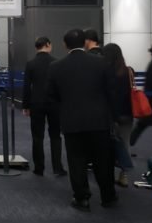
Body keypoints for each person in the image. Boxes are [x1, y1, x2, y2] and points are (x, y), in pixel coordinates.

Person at [47, 29, 118, 211]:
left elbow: (52, 96)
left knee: (76, 160)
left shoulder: (56, 66)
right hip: (99, 121)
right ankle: (108, 197)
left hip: (72, 121)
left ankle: (82, 198)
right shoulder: (102, 63)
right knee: (103, 160)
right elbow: (112, 92)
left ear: (65, 45)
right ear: (85, 43)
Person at [22, 37, 66, 177]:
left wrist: (26, 105)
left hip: (36, 103)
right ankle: (57, 168)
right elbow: (61, 86)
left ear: (36, 47)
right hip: (54, 104)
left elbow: (26, 87)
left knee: (37, 136)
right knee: (55, 136)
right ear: (48, 45)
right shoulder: (57, 62)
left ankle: (39, 168)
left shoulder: (31, 64)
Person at [102, 43, 133, 187]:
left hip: (109, 115)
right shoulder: (128, 71)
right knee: (125, 144)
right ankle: (124, 175)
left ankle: (110, 174)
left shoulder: (104, 72)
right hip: (127, 114)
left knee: (109, 144)